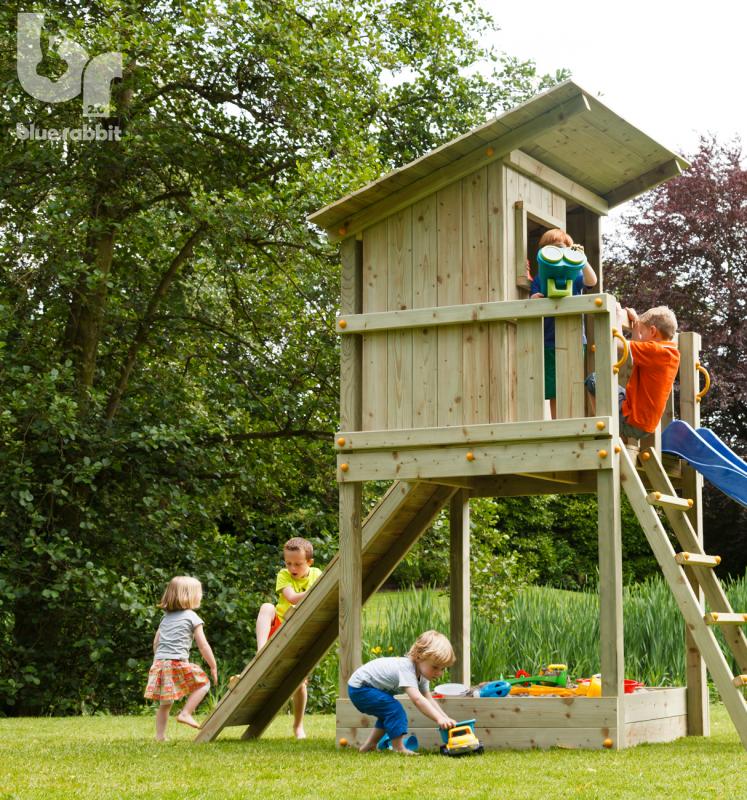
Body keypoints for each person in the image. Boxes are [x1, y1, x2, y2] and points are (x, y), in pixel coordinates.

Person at [250, 536, 322, 739]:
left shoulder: (317, 574)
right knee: (267, 606)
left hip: (299, 632)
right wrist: (312, 592)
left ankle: (298, 725)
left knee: (299, 682)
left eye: (298, 564)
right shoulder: (284, 575)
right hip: (281, 625)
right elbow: (290, 598)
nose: (292, 568)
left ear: (309, 562)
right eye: (288, 563)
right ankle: (261, 649)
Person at [347, 630, 458, 755]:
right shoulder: (407, 668)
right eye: (435, 667)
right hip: (360, 688)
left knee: (387, 713)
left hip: (366, 688)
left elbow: (428, 699)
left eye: (443, 669)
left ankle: (369, 745)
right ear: (418, 656)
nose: (439, 673)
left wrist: (445, 718)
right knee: (394, 710)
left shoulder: (422, 675)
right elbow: (418, 700)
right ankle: (399, 748)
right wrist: (439, 719)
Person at [530, 228, 598, 418]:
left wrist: (581, 260)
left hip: (574, 337)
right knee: (553, 387)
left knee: (571, 382)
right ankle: (556, 421)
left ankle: (571, 420)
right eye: (551, 250)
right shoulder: (539, 278)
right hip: (549, 340)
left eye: (561, 249)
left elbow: (592, 280)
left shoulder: (575, 275)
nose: (558, 254)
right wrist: (537, 297)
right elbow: (534, 297)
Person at [585, 305, 680, 441]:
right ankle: (616, 430)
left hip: (633, 422)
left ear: (653, 331)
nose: (641, 336)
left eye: (643, 332)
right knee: (620, 391)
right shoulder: (670, 353)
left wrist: (617, 318)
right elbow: (638, 348)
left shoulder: (655, 351)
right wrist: (637, 327)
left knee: (594, 380)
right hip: (644, 424)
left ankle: (605, 430)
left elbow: (617, 343)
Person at [144, 575, 218, 741]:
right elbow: (203, 645)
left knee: (165, 704)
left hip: (160, 662)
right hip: (176, 661)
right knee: (204, 684)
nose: (200, 596)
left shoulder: (165, 618)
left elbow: (156, 642)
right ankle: (185, 713)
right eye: (199, 593)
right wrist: (213, 666)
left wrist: (159, 660)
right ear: (189, 596)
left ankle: (160, 736)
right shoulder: (192, 617)